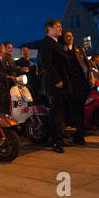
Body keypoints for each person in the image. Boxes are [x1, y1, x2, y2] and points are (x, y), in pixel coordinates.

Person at [40, 19, 73, 153]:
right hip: (55, 83)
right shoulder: (46, 43)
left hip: (62, 81)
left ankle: (60, 138)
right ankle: (55, 141)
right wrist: (57, 80)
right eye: (58, 27)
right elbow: (48, 64)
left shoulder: (57, 43)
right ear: (50, 28)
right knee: (55, 112)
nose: (61, 28)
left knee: (60, 111)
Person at [60, 30, 94, 145]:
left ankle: (79, 133)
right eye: (68, 36)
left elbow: (87, 64)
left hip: (81, 82)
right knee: (74, 108)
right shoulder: (60, 51)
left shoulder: (79, 49)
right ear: (63, 38)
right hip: (70, 85)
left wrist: (91, 76)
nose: (71, 38)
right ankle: (78, 133)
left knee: (80, 107)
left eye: (71, 36)